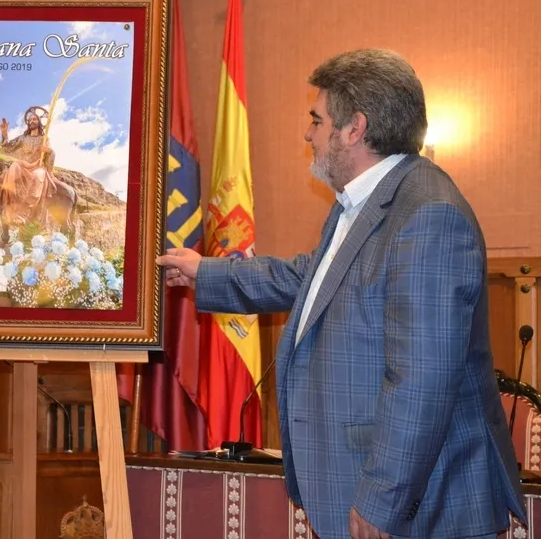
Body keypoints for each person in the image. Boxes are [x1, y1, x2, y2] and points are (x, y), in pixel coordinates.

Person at [158, 49, 525, 539]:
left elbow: (422, 380)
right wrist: (207, 273)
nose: (307, 133)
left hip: (417, 509)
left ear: (355, 128)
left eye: (316, 120)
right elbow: (311, 277)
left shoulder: (428, 214)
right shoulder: (367, 202)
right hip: (374, 490)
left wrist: (383, 497)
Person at [0, 106, 57, 227]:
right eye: (30, 120)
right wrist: (4, 133)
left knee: (37, 175)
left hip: (37, 167)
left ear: (39, 122)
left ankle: (25, 211)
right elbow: (7, 148)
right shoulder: (23, 138)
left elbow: (51, 155)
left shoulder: (44, 139)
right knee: (14, 166)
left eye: (34, 119)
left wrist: (49, 151)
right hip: (23, 165)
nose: (32, 121)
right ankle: (12, 206)